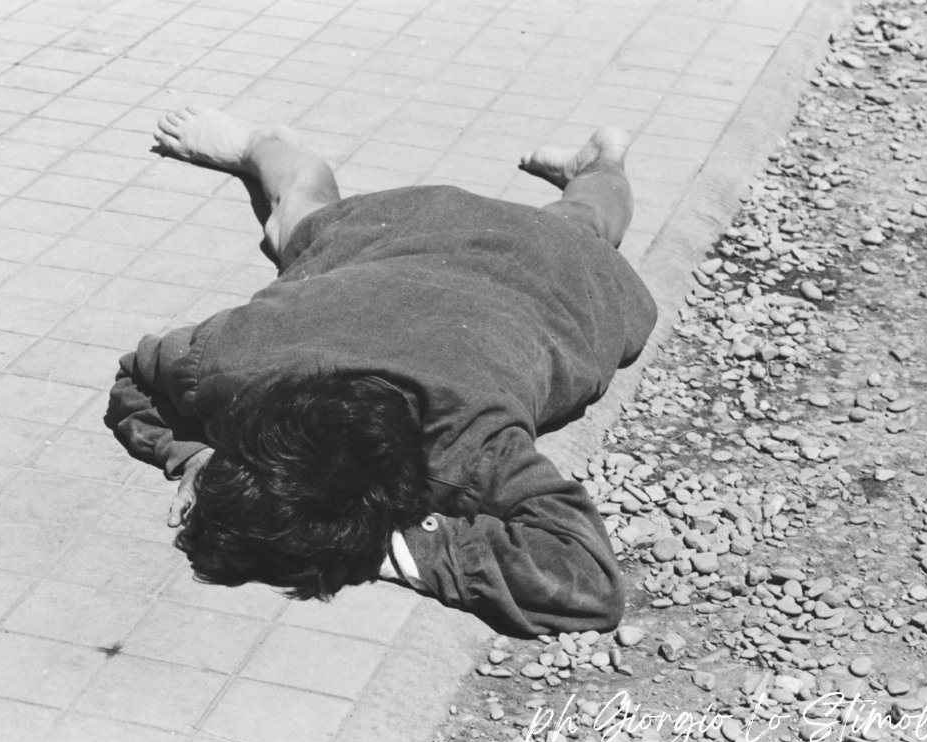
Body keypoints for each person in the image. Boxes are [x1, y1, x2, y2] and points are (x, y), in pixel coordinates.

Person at [105, 107, 657, 636]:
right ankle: (259, 143)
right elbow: (137, 381)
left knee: (581, 225)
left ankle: (603, 161)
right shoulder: (233, 362)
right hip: (399, 233)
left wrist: (395, 550)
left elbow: (589, 580)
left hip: (530, 258)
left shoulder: (465, 444)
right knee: (297, 207)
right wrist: (198, 458)